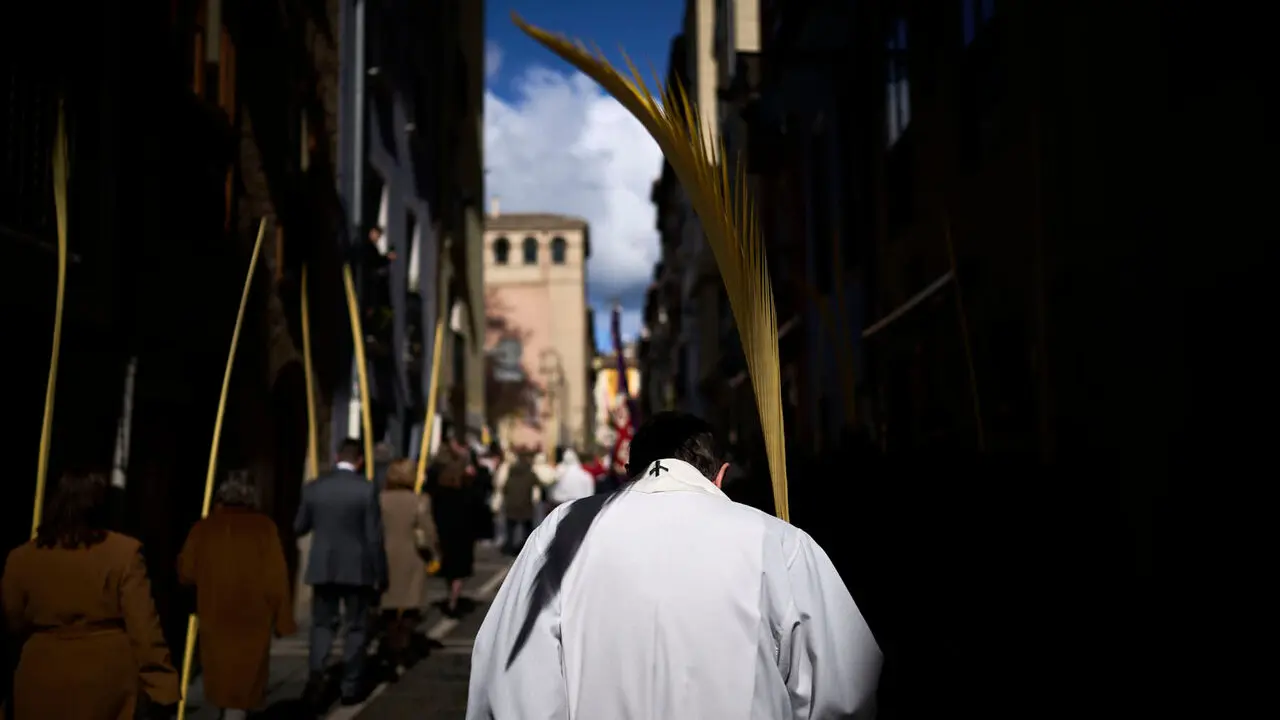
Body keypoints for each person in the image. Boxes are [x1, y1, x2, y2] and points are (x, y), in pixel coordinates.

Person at [466, 411, 882, 719]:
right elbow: (844, 691)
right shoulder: (779, 542)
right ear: (721, 475)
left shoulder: (562, 532)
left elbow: (512, 680)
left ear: (629, 472)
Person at [2, 471, 180, 720]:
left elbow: (12, 621)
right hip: (106, 680)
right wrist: (161, 687)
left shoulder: (21, 558)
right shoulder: (124, 553)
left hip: (41, 674)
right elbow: (144, 627)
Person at [178, 472, 296, 720]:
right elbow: (276, 578)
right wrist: (283, 620)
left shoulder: (204, 528)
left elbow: (186, 572)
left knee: (221, 678)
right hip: (253, 618)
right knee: (245, 682)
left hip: (215, 614)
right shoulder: (264, 528)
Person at [294, 439, 387, 706]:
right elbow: (373, 537)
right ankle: (350, 685)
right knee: (356, 627)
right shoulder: (366, 489)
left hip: (323, 566)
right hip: (357, 568)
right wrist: (380, 573)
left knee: (322, 624)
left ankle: (316, 675)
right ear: (359, 460)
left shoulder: (315, 487)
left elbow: (300, 526)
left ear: (337, 457)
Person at [378, 459, 439, 674]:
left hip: (384, 555)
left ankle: (389, 644)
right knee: (409, 605)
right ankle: (401, 647)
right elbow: (428, 531)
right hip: (411, 557)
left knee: (388, 604)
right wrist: (433, 552)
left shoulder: (380, 499)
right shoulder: (419, 501)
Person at [426, 428, 478, 617]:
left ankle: (451, 595)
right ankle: (453, 599)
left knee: (449, 566)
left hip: (444, 527)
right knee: (458, 569)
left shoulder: (438, 482)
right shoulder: (466, 482)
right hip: (463, 529)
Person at [500, 452, 539, 556]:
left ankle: (509, 546)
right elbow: (538, 483)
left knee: (510, 528)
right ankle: (527, 547)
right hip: (525, 505)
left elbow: (504, 489)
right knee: (527, 528)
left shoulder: (511, 474)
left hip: (511, 505)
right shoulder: (530, 474)